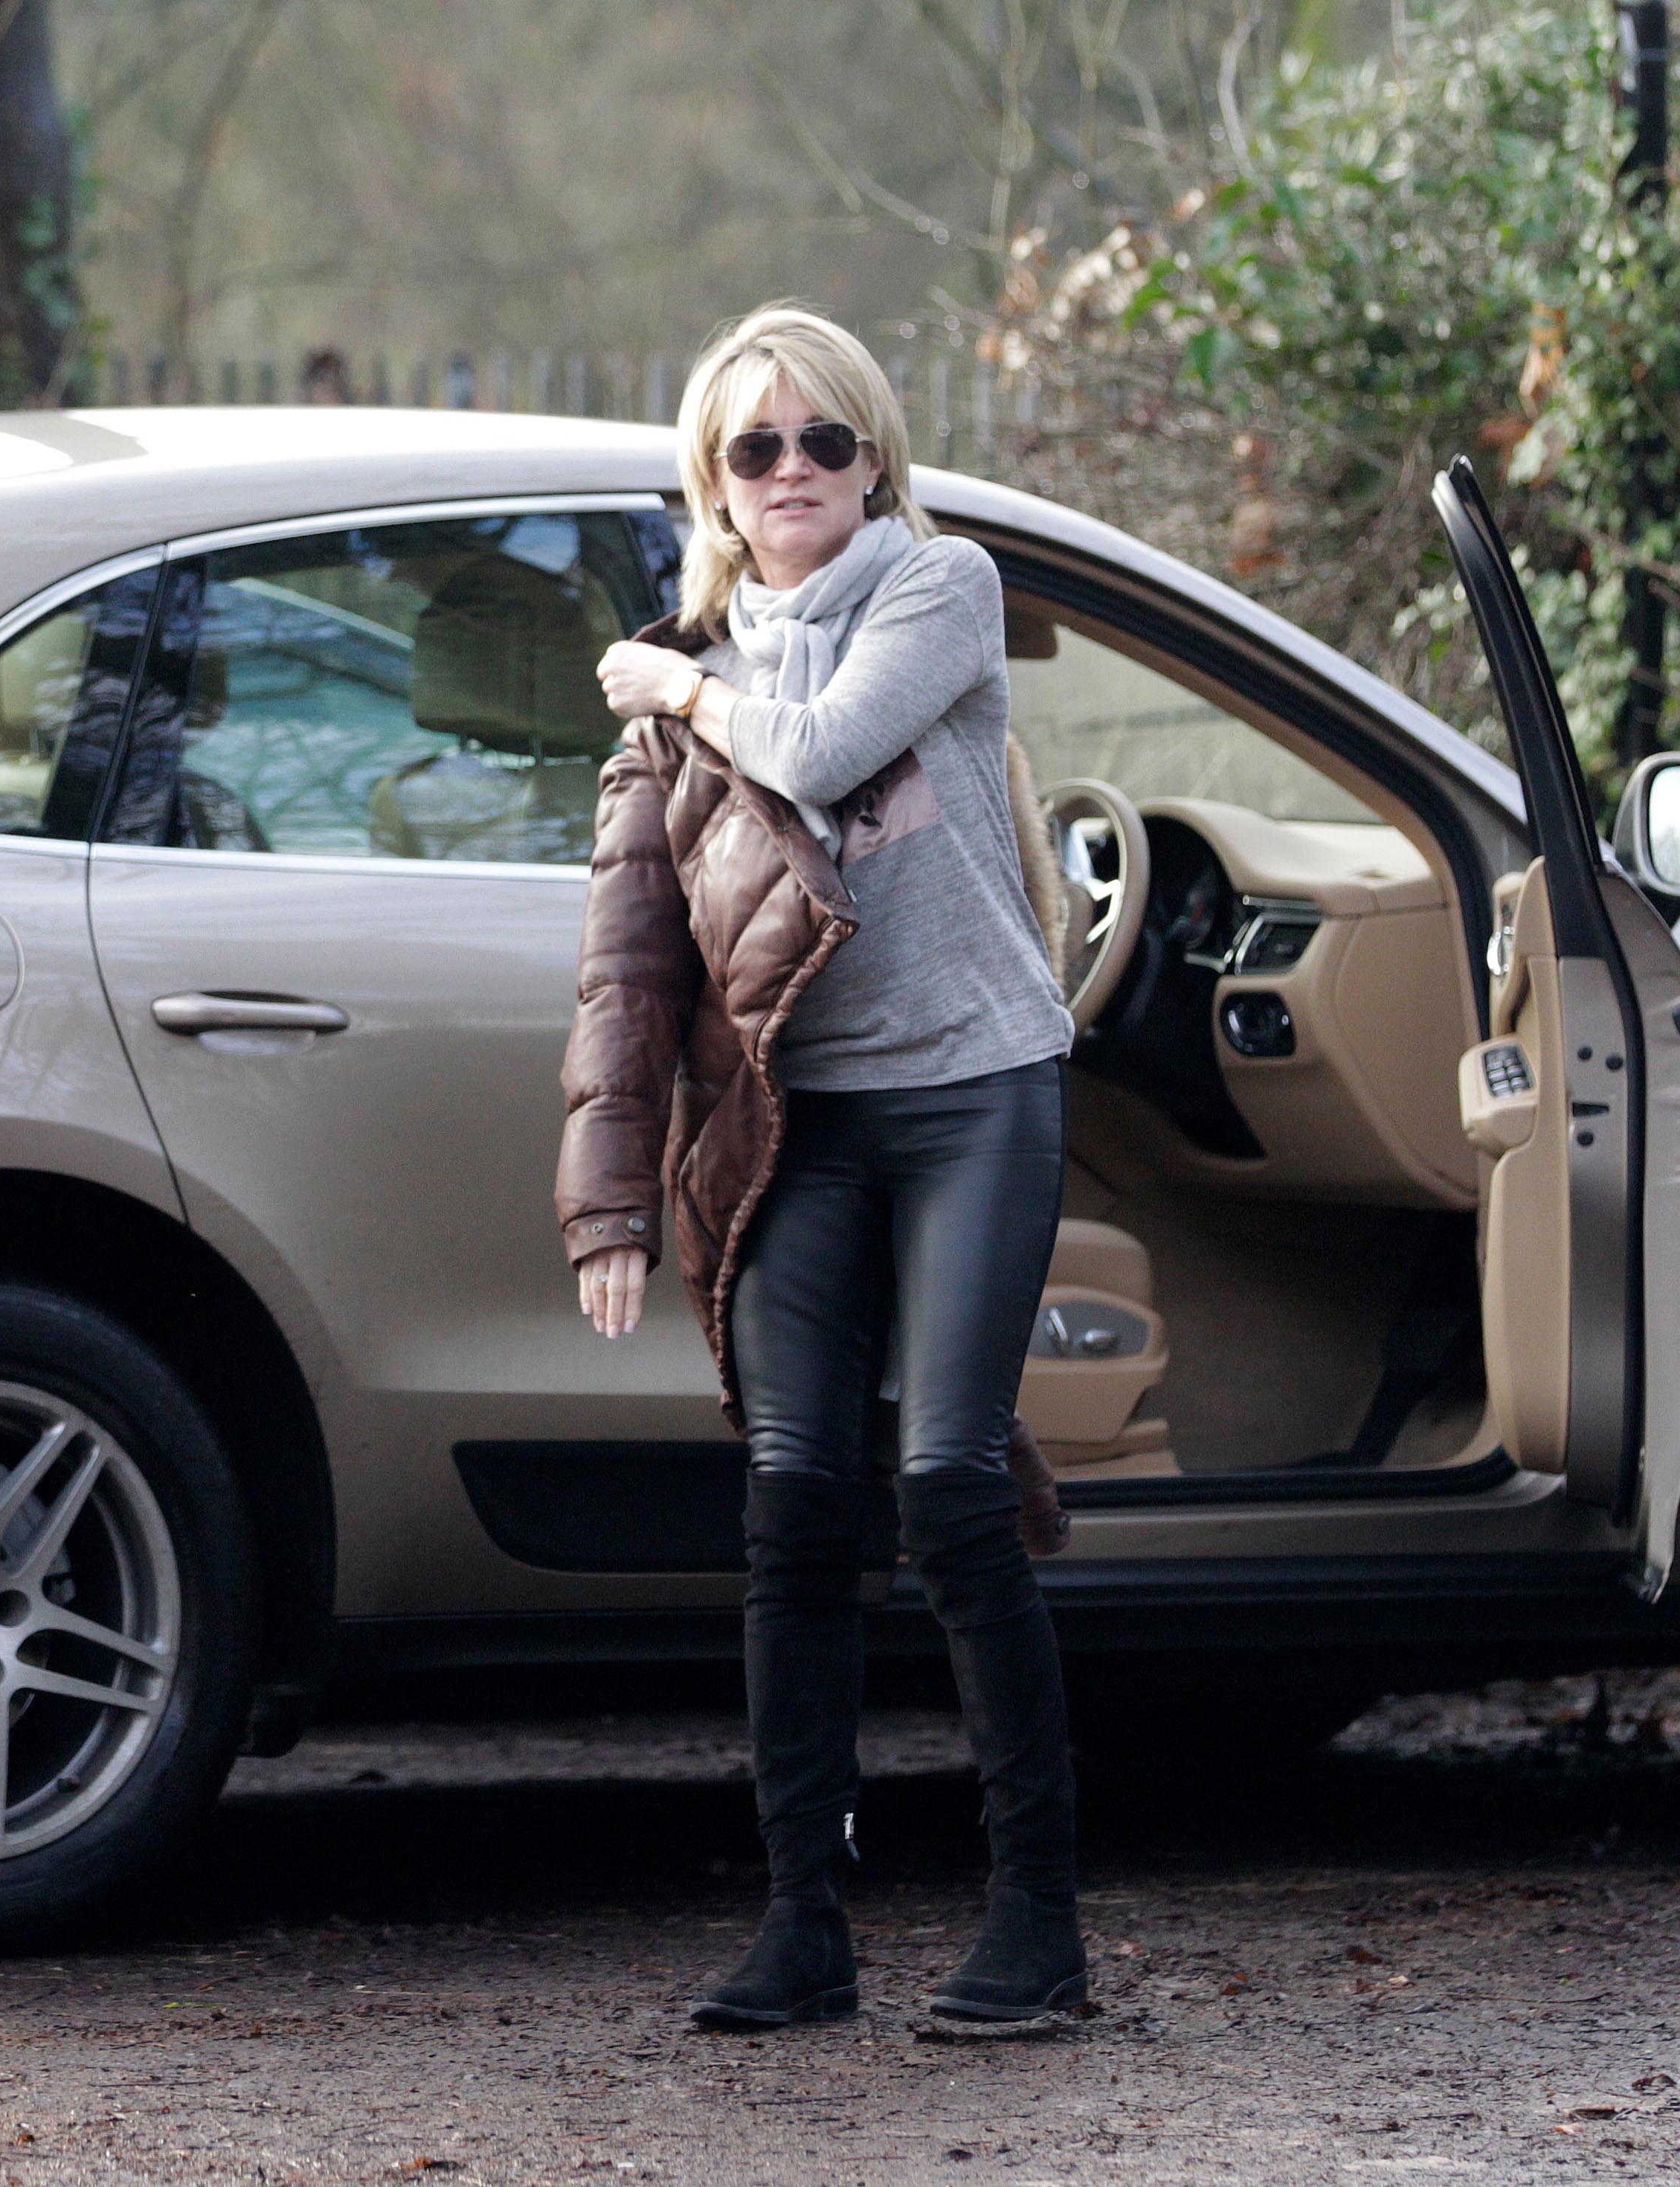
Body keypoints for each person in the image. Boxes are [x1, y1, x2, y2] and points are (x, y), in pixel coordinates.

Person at [556, 303, 1086, 2029]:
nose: (793, 473)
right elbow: (629, 961)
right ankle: (805, 1928)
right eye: (756, 448)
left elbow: (821, 744)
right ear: (715, 481)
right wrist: (612, 1197)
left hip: (973, 1091)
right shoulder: (678, 679)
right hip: (805, 1125)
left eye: (825, 443)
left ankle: (1039, 1932)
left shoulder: (941, 592)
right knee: (792, 1508)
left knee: (945, 1490)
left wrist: (684, 685)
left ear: (875, 462)